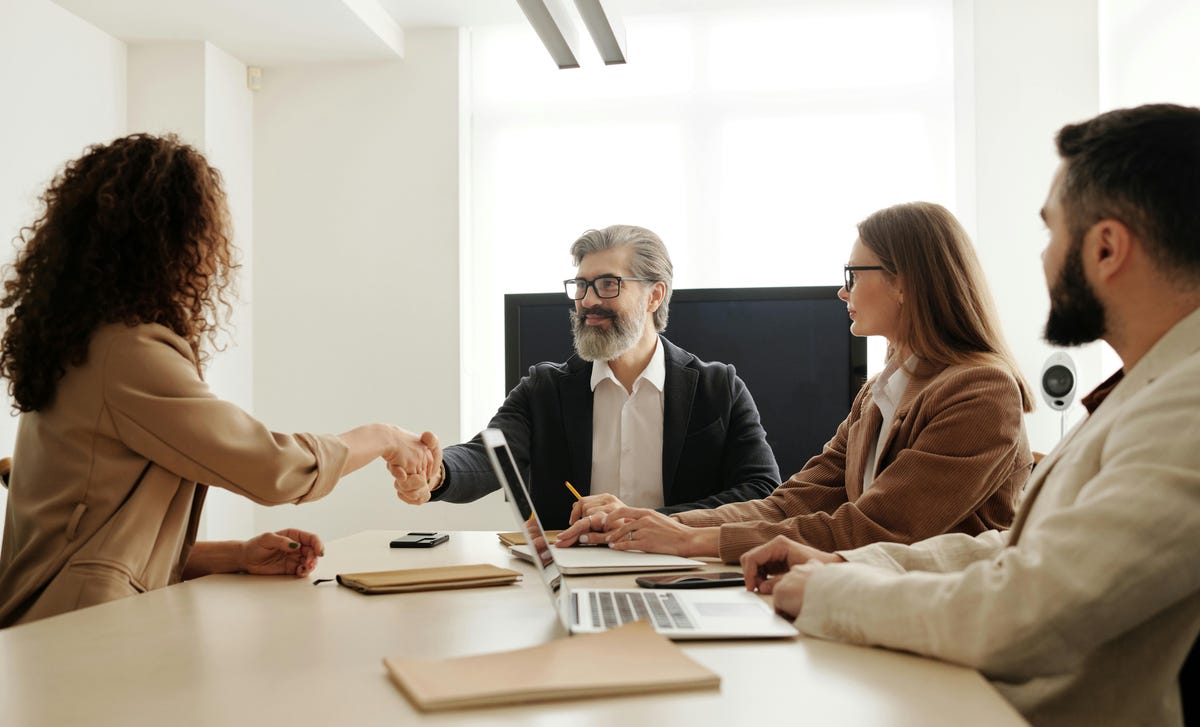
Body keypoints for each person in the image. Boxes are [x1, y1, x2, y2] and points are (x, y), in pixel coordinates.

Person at [740, 104, 1200, 727]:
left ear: (1107, 247)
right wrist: (848, 566)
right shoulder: (1149, 388)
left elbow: (1030, 608)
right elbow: (1014, 551)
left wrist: (833, 592)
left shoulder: (1186, 406)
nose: (1043, 261)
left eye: (1051, 233)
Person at [0, 133, 441, 628]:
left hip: (58, 626)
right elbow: (272, 467)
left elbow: (96, 541)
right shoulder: (126, 353)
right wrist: (382, 437)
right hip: (75, 636)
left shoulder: (80, 345)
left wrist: (235, 555)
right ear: (172, 239)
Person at [557, 203, 1034, 562]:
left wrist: (695, 540)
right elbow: (792, 502)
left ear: (905, 282)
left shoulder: (981, 393)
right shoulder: (878, 394)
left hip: (935, 630)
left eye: (853, 274)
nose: (842, 290)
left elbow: (878, 528)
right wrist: (656, 525)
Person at [396, 224, 779, 529]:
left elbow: (762, 492)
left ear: (654, 295)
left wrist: (649, 519)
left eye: (608, 284)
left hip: (685, 570)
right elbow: (487, 458)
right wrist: (437, 472)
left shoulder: (719, 388)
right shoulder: (543, 389)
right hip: (574, 571)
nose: (588, 301)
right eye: (581, 285)